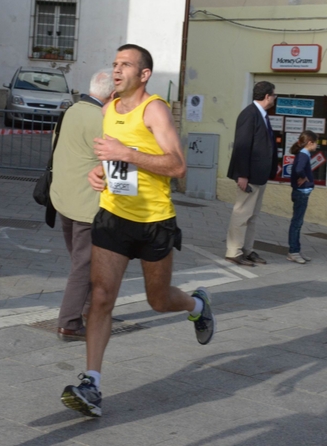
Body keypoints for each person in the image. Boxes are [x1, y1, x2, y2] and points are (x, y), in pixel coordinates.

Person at [60, 44, 215, 417]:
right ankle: (92, 383)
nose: (117, 70)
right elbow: (112, 158)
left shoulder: (154, 109)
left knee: (158, 300)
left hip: (154, 222)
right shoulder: (109, 108)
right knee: (101, 297)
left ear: (144, 75)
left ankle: (196, 305)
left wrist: (127, 154)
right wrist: (100, 171)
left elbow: (178, 166)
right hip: (113, 216)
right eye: (114, 63)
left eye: (126, 65)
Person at [50, 69, 114, 341]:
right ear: (113, 95)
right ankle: (69, 322)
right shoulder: (103, 120)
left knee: (81, 261)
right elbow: (113, 160)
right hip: (88, 203)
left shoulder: (70, 111)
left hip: (63, 198)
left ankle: (90, 309)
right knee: (83, 265)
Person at [224, 81, 276, 266]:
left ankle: (247, 249)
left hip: (259, 175)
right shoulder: (249, 114)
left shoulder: (261, 115)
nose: (275, 98)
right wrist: (242, 174)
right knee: (242, 213)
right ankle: (233, 251)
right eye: (274, 95)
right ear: (267, 96)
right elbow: (242, 146)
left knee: (252, 215)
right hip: (250, 175)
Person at [286, 130, 318, 264]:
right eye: (315, 143)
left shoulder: (303, 154)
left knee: (298, 222)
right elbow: (298, 169)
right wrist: (303, 178)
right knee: (297, 223)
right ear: (310, 143)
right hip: (301, 192)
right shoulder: (304, 155)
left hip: (302, 192)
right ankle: (293, 251)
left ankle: (296, 250)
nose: (317, 146)